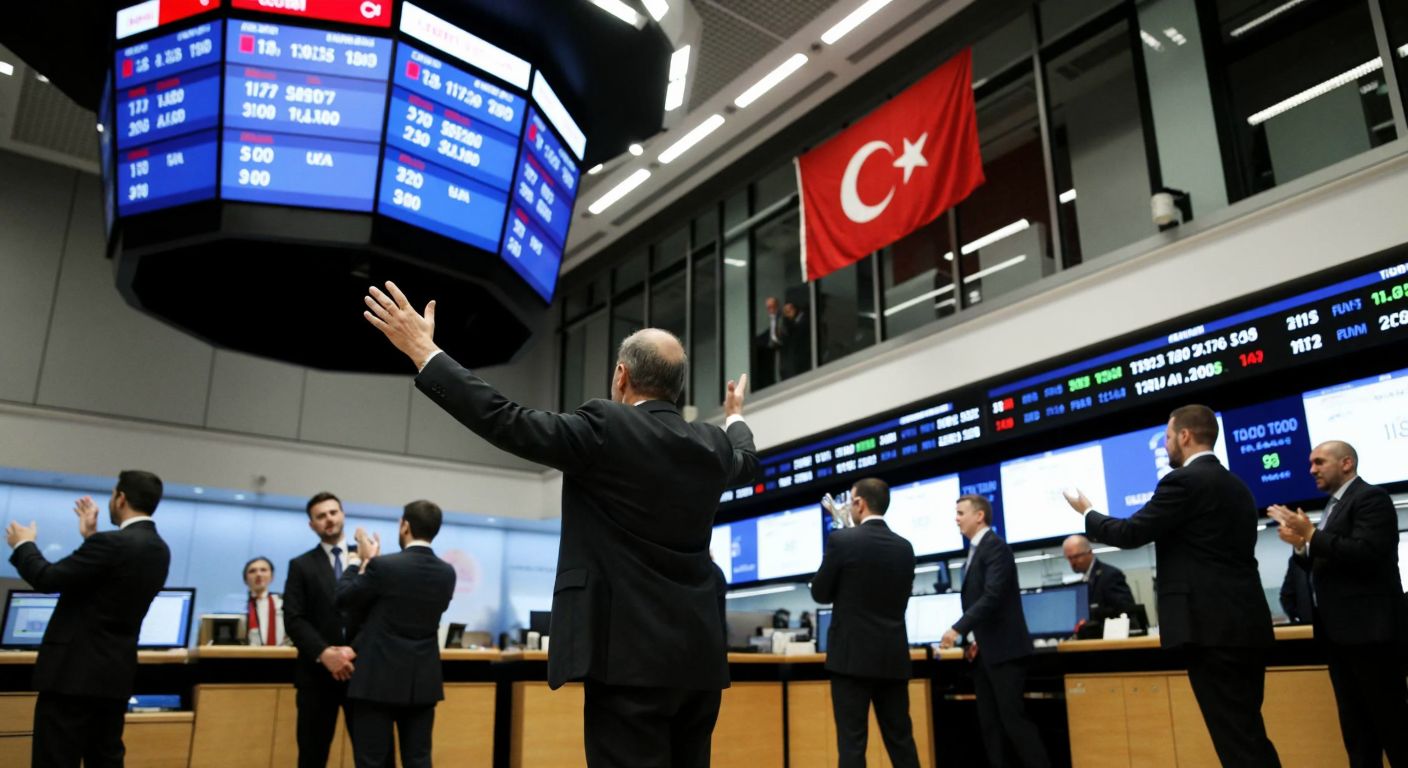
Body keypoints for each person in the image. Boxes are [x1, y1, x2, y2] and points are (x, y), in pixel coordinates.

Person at [362, 281, 757, 768]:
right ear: (677, 387)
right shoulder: (712, 446)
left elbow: (506, 419)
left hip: (625, 661)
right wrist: (734, 416)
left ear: (621, 376)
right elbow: (746, 458)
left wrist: (425, 351)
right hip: (698, 662)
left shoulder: (605, 427)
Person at [1062, 404, 1280, 767]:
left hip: (1210, 631)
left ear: (1185, 435)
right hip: (1246, 626)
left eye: (1166, 436)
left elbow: (1130, 533)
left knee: (1238, 743)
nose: (1164, 445)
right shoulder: (1237, 485)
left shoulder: (1184, 481)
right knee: (1247, 731)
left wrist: (1086, 511)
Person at [5, 470, 171, 768]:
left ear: (121, 498)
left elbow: (47, 578)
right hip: (114, 678)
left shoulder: (111, 544)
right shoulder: (159, 549)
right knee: (104, 759)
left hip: (71, 676)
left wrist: (23, 544)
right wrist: (91, 537)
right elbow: (109, 583)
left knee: (55, 760)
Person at [1267, 441, 1408, 767]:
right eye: (1310, 463)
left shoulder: (1371, 498)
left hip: (1371, 637)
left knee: (1394, 728)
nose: (1311, 470)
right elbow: (1327, 563)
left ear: (1346, 463)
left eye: (1319, 462)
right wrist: (1301, 545)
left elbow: (1366, 552)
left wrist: (1311, 535)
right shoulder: (1333, 506)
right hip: (1339, 639)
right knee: (1357, 734)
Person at [809, 478, 921, 768]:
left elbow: (820, 593)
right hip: (892, 658)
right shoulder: (905, 547)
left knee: (852, 744)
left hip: (850, 661)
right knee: (901, 741)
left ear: (859, 503)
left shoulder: (842, 541)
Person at [336, 501, 457, 768]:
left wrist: (358, 560)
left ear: (405, 526)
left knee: (372, 761)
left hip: (377, 679)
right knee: (419, 759)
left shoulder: (383, 566)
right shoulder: (447, 573)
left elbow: (344, 599)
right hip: (422, 681)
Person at [941, 494, 1050, 768]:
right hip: (984, 652)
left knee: (1013, 721)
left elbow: (993, 596)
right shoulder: (974, 552)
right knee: (990, 726)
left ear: (979, 516)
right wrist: (973, 638)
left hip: (1005, 651)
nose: (956, 519)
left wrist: (958, 629)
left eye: (961, 513)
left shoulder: (995, 547)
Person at [284, 492, 359, 768]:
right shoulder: (300, 565)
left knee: (374, 757)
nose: (328, 519)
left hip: (362, 673)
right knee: (312, 757)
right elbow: (294, 619)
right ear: (312, 524)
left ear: (343, 515)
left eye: (333, 512)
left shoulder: (368, 559)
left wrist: (353, 650)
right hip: (316, 678)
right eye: (321, 516)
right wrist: (325, 653)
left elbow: (378, 616)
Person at [1060, 535, 1134, 619]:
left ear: (1089, 552)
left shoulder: (1110, 576)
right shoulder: (1086, 579)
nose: (1072, 563)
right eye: (1069, 558)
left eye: (1076, 557)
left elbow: (1126, 610)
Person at [243, 556, 287, 647]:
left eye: (263, 570)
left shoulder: (283, 602)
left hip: (281, 652)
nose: (258, 574)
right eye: (252, 571)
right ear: (245, 579)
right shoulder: (241, 606)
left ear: (272, 576)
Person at [754, 296, 783, 389]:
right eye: (769, 308)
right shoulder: (767, 334)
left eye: (774, 307)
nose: (772, 310)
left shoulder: (785, 323)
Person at [1278, 553, 1313, 625]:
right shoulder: (1296, 561)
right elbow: (1286, 596)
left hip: (1306, 623)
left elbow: (1286, 596)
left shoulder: (1296, 561)